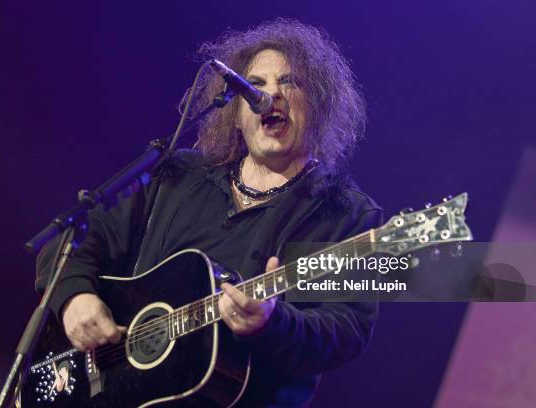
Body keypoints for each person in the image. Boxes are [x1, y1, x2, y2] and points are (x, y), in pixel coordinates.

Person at [36, 18, 382, 407]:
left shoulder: (342, 213)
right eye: (255, 84)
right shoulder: (179, 175)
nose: (270, 96)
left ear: (318, 104)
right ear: (235, 111)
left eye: (289, 82)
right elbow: (77, 237)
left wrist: (272, 323)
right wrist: (74, 297)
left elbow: (345, 330)